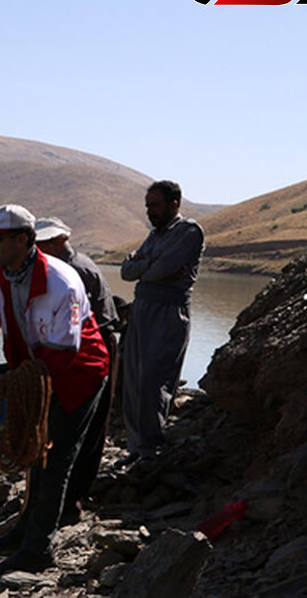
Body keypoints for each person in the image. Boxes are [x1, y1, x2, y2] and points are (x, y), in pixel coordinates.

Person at [0, 204, 109, 573]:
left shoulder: (60, 283)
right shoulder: (2, 275)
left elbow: (65, 352)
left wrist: (26, 389)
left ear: (24, 239)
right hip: (39, 375)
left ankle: (38, 549)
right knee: (34, 457)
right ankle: (23, 531)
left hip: (78, 377)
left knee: (55, 460)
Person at [34, 217, 119, 520]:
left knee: (85, 427)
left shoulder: (74, 271)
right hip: (81, 346)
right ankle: (64, 500)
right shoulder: (66, 266)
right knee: (76, 425)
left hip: (91, 349)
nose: (37, 251)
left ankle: (70, 503)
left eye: (42, 244)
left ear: (59, 241)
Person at [119, 180, 205, 463]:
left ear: (174, 204)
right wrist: (149, 264)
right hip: (141, 309)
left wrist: (146, 264)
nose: (149, 212)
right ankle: (136, 446)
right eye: (147, 206)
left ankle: (151, 448)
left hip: (169, 313)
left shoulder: (189, 232)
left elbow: (165, 269)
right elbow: (126, 272)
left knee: (154, 381)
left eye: (155, 205)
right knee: (132, 379)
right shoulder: (155, 236)